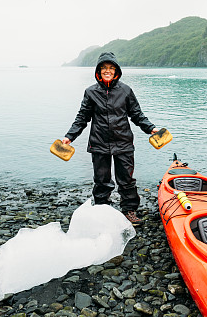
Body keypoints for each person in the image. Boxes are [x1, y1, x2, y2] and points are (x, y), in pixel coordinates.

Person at [62, 52, 157, 225]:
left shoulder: (126, 90)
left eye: (111, 68)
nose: (108, 71)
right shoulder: (90, 92)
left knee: (126, 180)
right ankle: (101, 211)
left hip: (124, 142)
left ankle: (129, 211)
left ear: (116, 71)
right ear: (98, 71)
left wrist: (151, 128)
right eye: (104, 68)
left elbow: (137, 114)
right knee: (102, 181)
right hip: (99, 144)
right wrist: (70, 136)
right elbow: (82, 117)